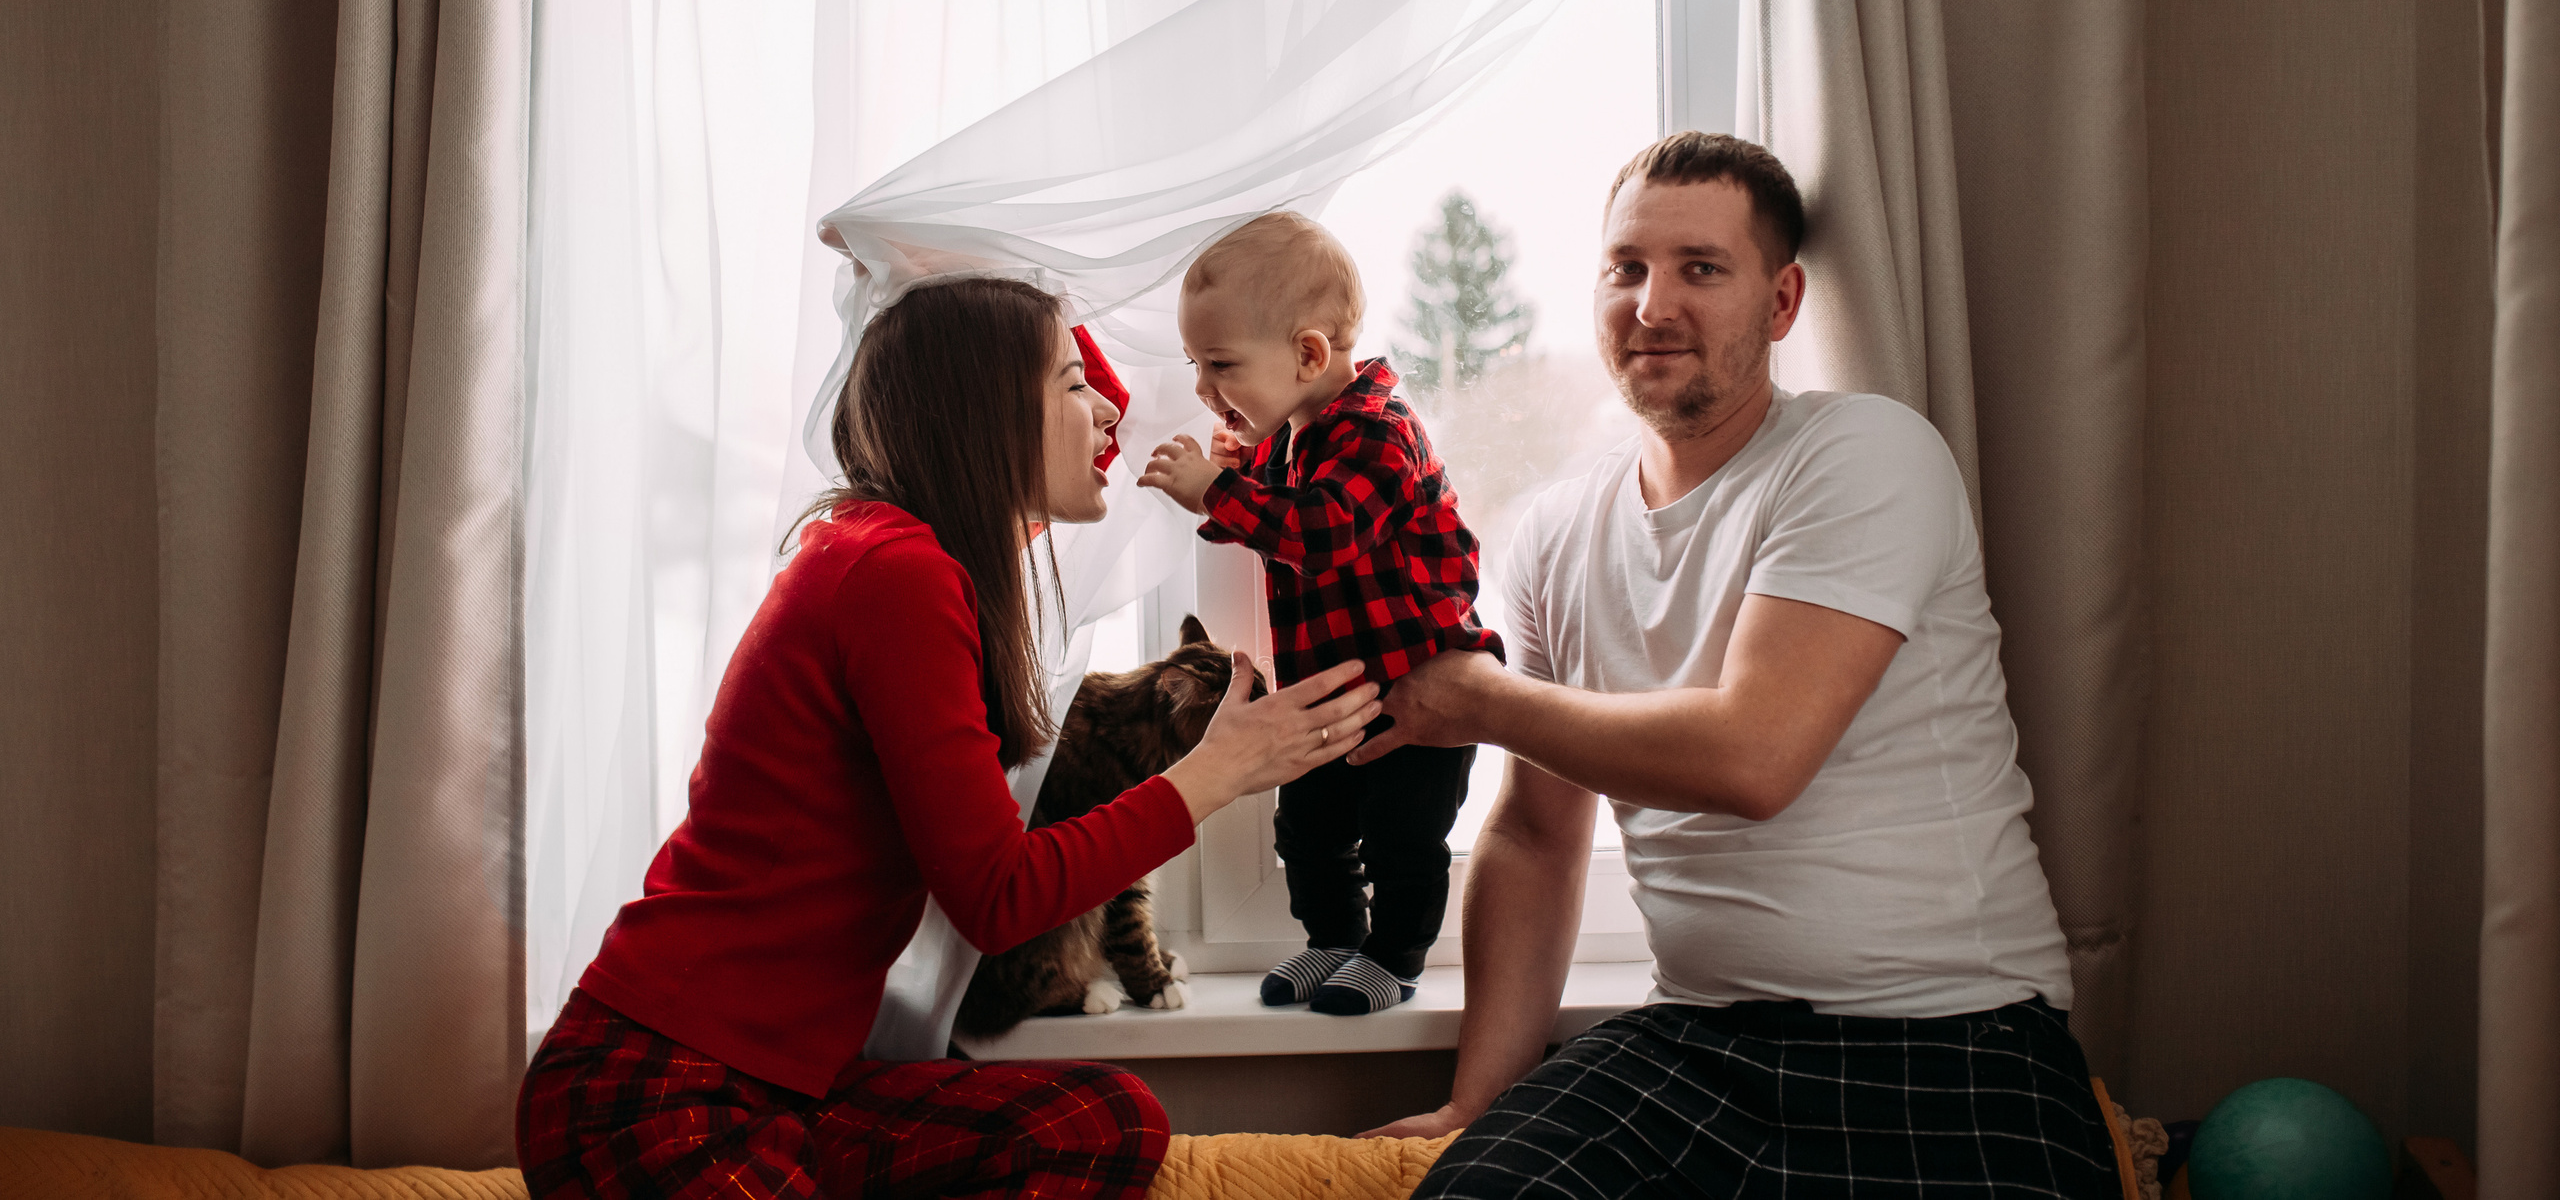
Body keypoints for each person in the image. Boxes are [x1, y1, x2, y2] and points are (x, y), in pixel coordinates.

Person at [1354, 134, 2121, 1198]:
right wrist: (1476, 1102)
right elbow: (1536, 833)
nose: (1652, 304)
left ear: (1782, 299)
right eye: (1626, 268)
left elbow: (1753, 756)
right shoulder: (1553, 532)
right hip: (1698, 1046)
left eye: (1700, 269)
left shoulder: (1862, 453)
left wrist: (1481, 699)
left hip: (1953, 1036)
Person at [516, 277, 1383, 1200]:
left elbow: (1098, 412)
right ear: (988, 408)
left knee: (1102, 1118)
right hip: (658, 1085)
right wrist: (1216, 772)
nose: (1105, 415)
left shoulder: (901, 556)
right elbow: (998, 897)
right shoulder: (894, 571)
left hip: (790, 1090)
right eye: (1068, 382)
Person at [1137, 213, 1502, 1017]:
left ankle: (1395, 952)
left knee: (1404, 835)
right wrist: (1232, 482)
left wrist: (1218, 490)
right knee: (1308, 826)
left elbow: (1322, 533)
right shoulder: (1292, 434)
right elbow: (1267, 514)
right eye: (1199, 364)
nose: (1206, 388)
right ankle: (1332, 939)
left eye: (1221, 364)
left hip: (1416, 690)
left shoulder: (1378, 430)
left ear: (1307, 353)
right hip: (1333, 692)